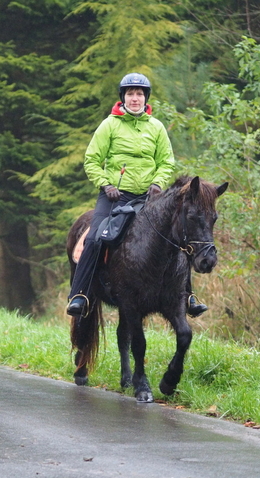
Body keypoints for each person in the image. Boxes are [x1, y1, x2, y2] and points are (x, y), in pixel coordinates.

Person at [66, 73, 208, 318]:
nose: (135, 98)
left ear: (145, 98)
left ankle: (188, 296)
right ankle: (80, 294)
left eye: (139, 94)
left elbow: (166, 161)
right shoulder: (109, 125)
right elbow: (92, 160)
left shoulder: (156, 127)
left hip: (148, 198)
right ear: (123, 97)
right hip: (114, 196)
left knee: (177, 236)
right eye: (130, 94)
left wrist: (157, 183)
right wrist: (106, 184)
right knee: (96, 237)